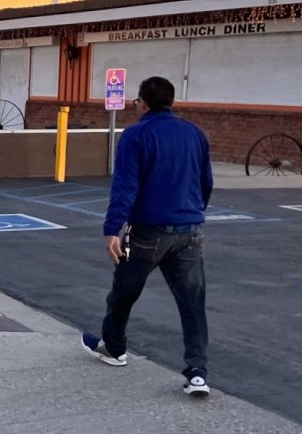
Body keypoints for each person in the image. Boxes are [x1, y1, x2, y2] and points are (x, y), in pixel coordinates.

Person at [81, 76, 213, 398]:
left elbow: (125, 186)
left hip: (147, 233)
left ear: (142, 103)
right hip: (189, 232)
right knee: (192, 304)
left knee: (124, 291)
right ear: (172, 102)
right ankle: (197, 373)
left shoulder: (136, 135)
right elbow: (205, 181)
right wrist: (193, 212)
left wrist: (113, 229)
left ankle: (114, 347)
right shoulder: (194, 134)